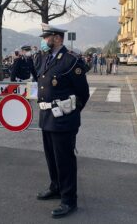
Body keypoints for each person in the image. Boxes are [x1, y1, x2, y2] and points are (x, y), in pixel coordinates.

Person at [36, 23, 90, 218]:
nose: (43, 41)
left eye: (46, 37)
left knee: (65, 160)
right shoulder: (45, 58)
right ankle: (56, 186)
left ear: (57, 38)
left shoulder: (71, 61)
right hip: (46, 117)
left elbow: (83, 93)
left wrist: (71, 114)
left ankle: (69, 200)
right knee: (51, 157)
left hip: (63, 119)